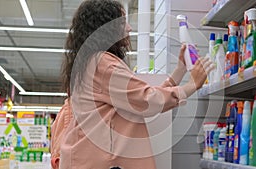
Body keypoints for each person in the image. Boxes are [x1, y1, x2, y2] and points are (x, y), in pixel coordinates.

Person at [55, 0, 214, 168]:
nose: (129, 28)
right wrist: (191, 85)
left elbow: (138, 96)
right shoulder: (102, 63)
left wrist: (180, 70)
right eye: (123, 22)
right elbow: (146, 100)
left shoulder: (91, 61)